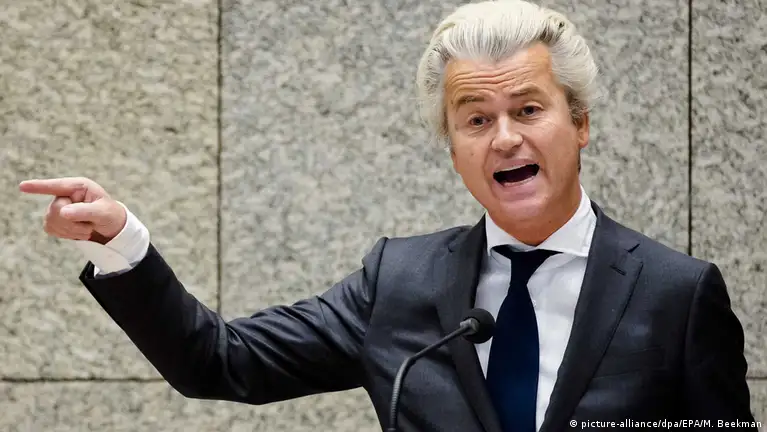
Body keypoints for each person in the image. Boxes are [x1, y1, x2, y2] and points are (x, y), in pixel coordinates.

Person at [20, 1, 757, 431]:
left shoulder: (677, 294)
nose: (504, 138)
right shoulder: (398, 282)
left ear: (581, 124)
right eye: (476, 119)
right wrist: (121, 243)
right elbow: (218, 360)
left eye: (529, 109)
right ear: (453, 148)